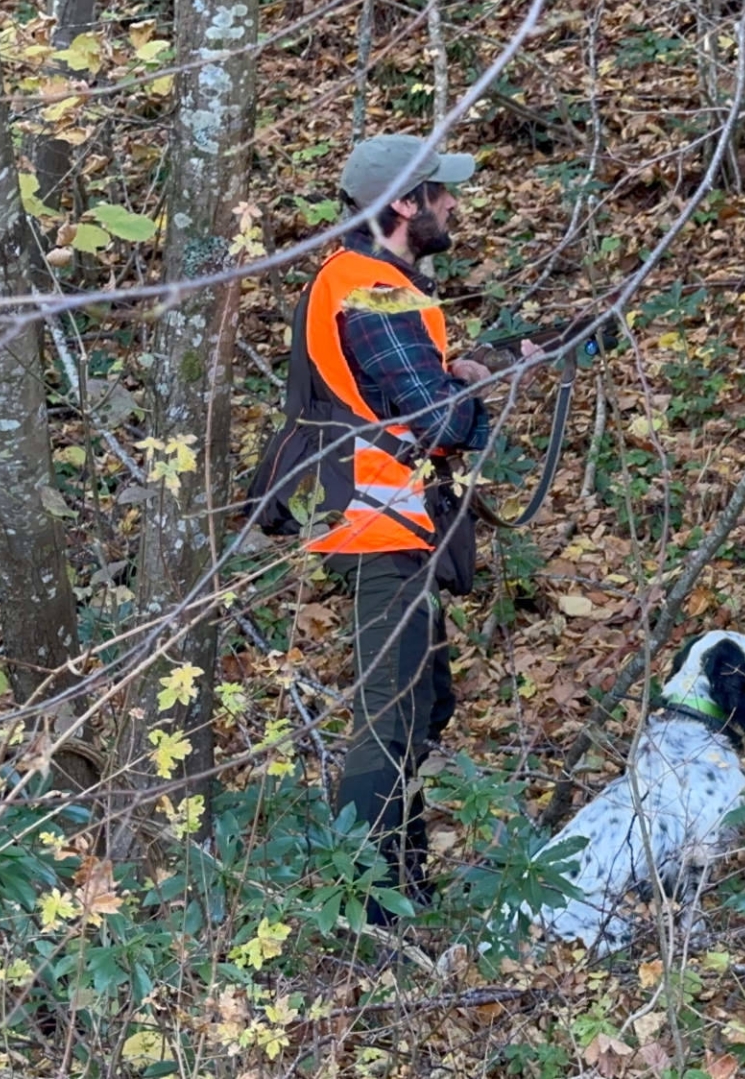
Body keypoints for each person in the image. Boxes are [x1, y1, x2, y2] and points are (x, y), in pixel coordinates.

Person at [250, 132, 538, 922]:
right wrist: (478, 396)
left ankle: (401, 885)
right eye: (442, 191)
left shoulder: (370, 281)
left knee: (422, 704)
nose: (454, 204)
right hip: (380, 530)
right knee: (390, 720)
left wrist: (474, 366)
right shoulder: (372, 288)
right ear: (405, 203)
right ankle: (367, 910)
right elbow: (435, 419)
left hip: (392, 526)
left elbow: (404, 389)